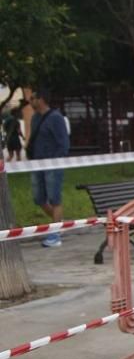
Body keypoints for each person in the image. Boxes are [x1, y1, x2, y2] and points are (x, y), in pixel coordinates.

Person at [26, 89, 71, 248]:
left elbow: (64, 144)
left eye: (33, 98)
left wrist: (55, 160)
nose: (30, 101)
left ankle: (56, 232)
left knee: (54, 197)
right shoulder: (35, 118)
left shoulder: (56, 118)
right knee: (39, 198)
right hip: (36, 163)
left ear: (42, 99)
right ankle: (58, 222)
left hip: (52, 164)